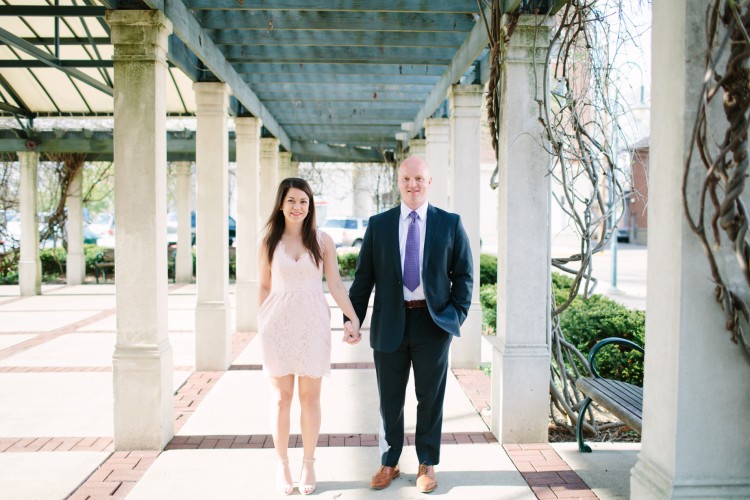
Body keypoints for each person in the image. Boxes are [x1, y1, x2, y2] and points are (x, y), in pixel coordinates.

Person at [343, 156, 473, 494]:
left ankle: (427, 463)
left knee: (430, 398)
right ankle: (390, 460)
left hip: (433, 324)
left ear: (429, 182)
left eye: (419, 179)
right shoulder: (379, 225)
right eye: (406, 179)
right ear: (398, 183)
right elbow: (363, 279)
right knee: (390, 399)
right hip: (390, 322)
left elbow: (463, 275)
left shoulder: (450, 223)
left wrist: (454, 316)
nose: (412, 185)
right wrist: (351, 319)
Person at [258, 177, 361, 496]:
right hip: (277, 324)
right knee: (281, 398)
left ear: (310, 205)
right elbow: (263, 285)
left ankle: (309, 462)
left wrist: (353, 316)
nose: (297, 206)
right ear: (280, 204)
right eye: (291, 200)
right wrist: (261, 320)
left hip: (313, 322)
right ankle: (282, 464)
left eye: (303, 201)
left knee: (310, 397)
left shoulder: (323, 241)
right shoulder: (268, 242)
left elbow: (336, 285)